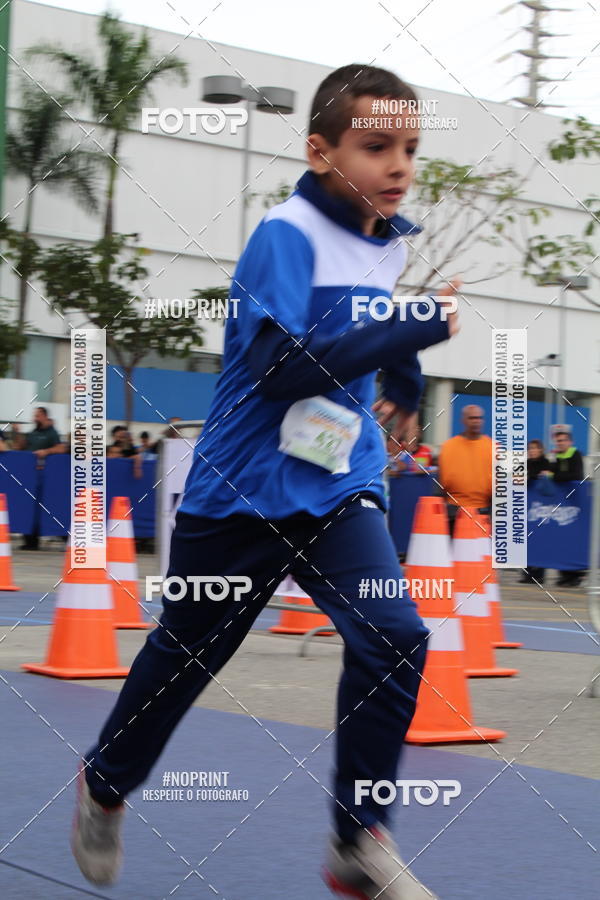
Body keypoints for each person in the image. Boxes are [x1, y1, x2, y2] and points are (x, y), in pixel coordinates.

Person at [72, 64, 459, 899]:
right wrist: (422, 325)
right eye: (376, 147)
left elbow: (370, 318)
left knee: (395, 635)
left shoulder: (387, 237)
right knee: (185, 658)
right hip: (242, 492)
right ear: (321, 152)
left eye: (410, 148)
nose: (398, 165)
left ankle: (358, 840)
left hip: (337, 485)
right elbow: (282, 370)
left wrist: (403, 377)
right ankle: (104, 785)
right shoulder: (285, 236)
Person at [438, 404, 492, 535]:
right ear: (463, 420)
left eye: (479, 418)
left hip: (483, 512)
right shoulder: (448, 447)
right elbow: (440, 483)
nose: (476, 421)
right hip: (453, 511)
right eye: (472, 418)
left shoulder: (492, 447)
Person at [17, 408, 63, 549]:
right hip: (30, 478)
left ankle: (63, 536)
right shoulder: (33, 433)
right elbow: (20, 448)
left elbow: (61, 448)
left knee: (47, 508)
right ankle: (30, 541)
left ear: (44, 416)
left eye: (37, 415)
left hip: (46, 479)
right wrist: (17, 433)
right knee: (28, 509)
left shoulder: (52, 433)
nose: (35, 418)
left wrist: (46, 452)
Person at [546, 429, 585, 587]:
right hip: (561, 504)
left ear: (570, 442)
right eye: (558, 441)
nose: (560, 443)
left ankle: (575, 576)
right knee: (560, 539)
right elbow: (549, 472)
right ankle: (563, 574)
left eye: (563, 440)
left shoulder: (576, 455)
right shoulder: (557, 456)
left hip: (575, 504)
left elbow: (576, 475)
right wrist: (552, 464)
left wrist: (555, 477)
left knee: (573, 540)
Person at [520, 439, 550, 584]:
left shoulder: (546, 463)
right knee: (525, 540)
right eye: (530, 448)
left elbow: (543, 477)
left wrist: (529, 477)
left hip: (541, 509)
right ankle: (526, 573)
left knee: (540, 539)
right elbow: (517, 476)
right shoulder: (525, 463)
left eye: (535, 448)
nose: (532, 451)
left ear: (541, 450)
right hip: (526, 508)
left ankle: (539, 574)